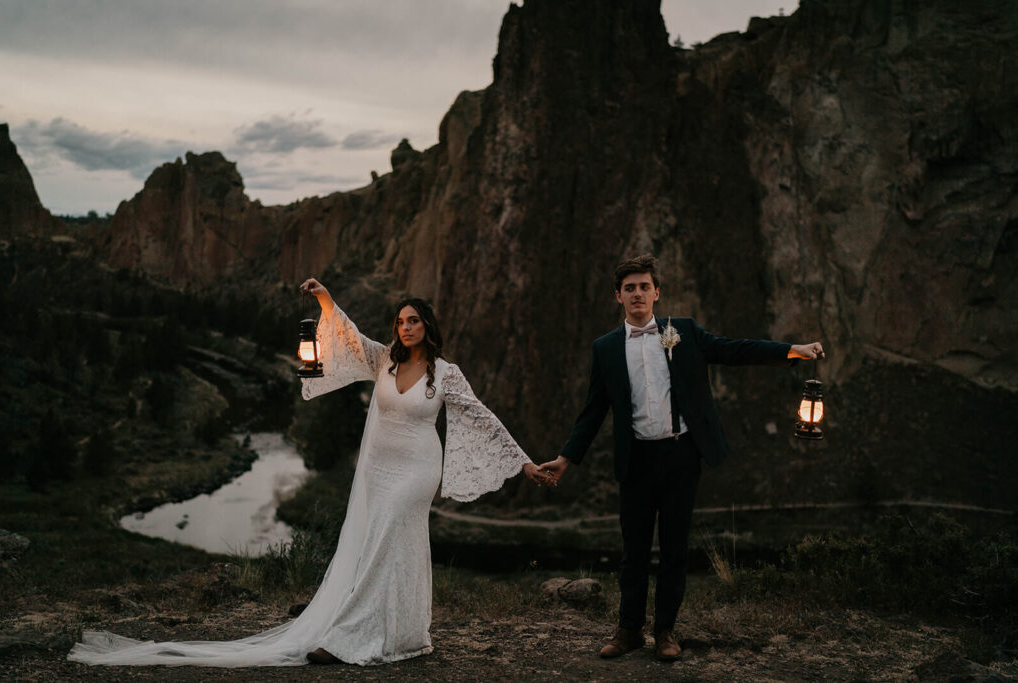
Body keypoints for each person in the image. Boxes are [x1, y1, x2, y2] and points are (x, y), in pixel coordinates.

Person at [68, 280, 552, 667]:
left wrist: (523, 461)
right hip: (379, 468)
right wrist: (324, 300)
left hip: (418, 469)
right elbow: (346, 337)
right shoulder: (382, 359)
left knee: (389, 536)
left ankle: (348, 637)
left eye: (414, 321)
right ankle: (405, 635)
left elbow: (480, 416)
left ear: (428, 326)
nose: (405, 328)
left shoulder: (447, 373)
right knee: (384, 543)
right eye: (400, 321)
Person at [539, 254, 824, 662]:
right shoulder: (605, 348)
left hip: (681, 456)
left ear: (657, 292)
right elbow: (593, 410)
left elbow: (733, 350)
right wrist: (567, 458)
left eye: (644, 286)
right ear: (618, 296)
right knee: (634, 550)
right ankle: (628, 630)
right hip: (635, 460)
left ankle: (666, 631)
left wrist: (792, 351)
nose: (637, 293)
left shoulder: (684, 332)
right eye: (629, 288)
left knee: (674, 549)